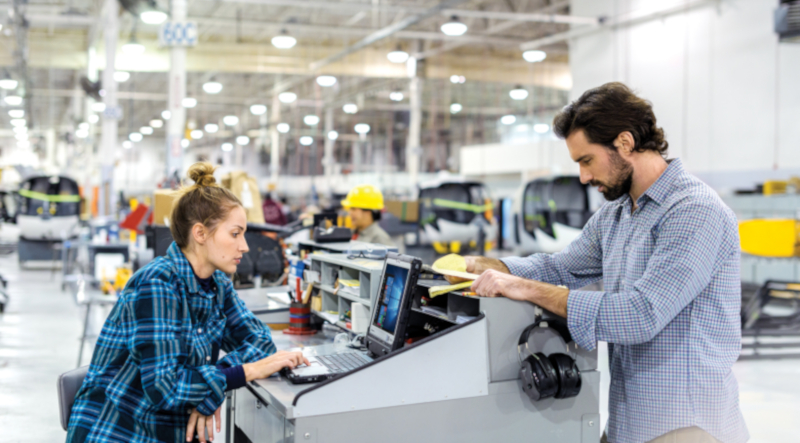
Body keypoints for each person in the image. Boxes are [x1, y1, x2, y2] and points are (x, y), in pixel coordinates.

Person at [461, 83, 748, 443]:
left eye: (587, 160)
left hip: (686, 425)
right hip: (630, 421)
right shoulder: (616, 213)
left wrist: (526, 288)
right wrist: (488, 266)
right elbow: (562, 267)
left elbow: (640, 314)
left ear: (625, 143)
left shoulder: (693, 212)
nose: (583, 176)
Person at [66, 163, 309, 443]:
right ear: (200, 234)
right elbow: (165, 389)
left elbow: (260, 341)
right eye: (235, 234)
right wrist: (243, 372)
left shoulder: (217, 285)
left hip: (168, 429)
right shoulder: (156, 283)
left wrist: (209, 395)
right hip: (121, 430)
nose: (244, 246)